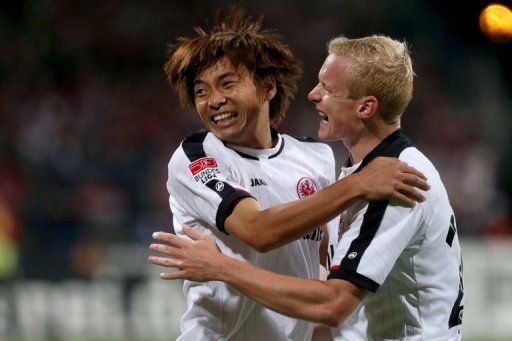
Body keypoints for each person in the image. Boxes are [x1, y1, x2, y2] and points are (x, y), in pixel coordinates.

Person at [150, 34, 464, 340]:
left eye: (227, 84)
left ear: (268, 87)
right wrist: (356, 184)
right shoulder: (198, 156)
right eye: (201, 91)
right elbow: (260, 232)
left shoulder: (373, 175)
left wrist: (221, 267)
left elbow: (331, 296)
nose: (214, 100)